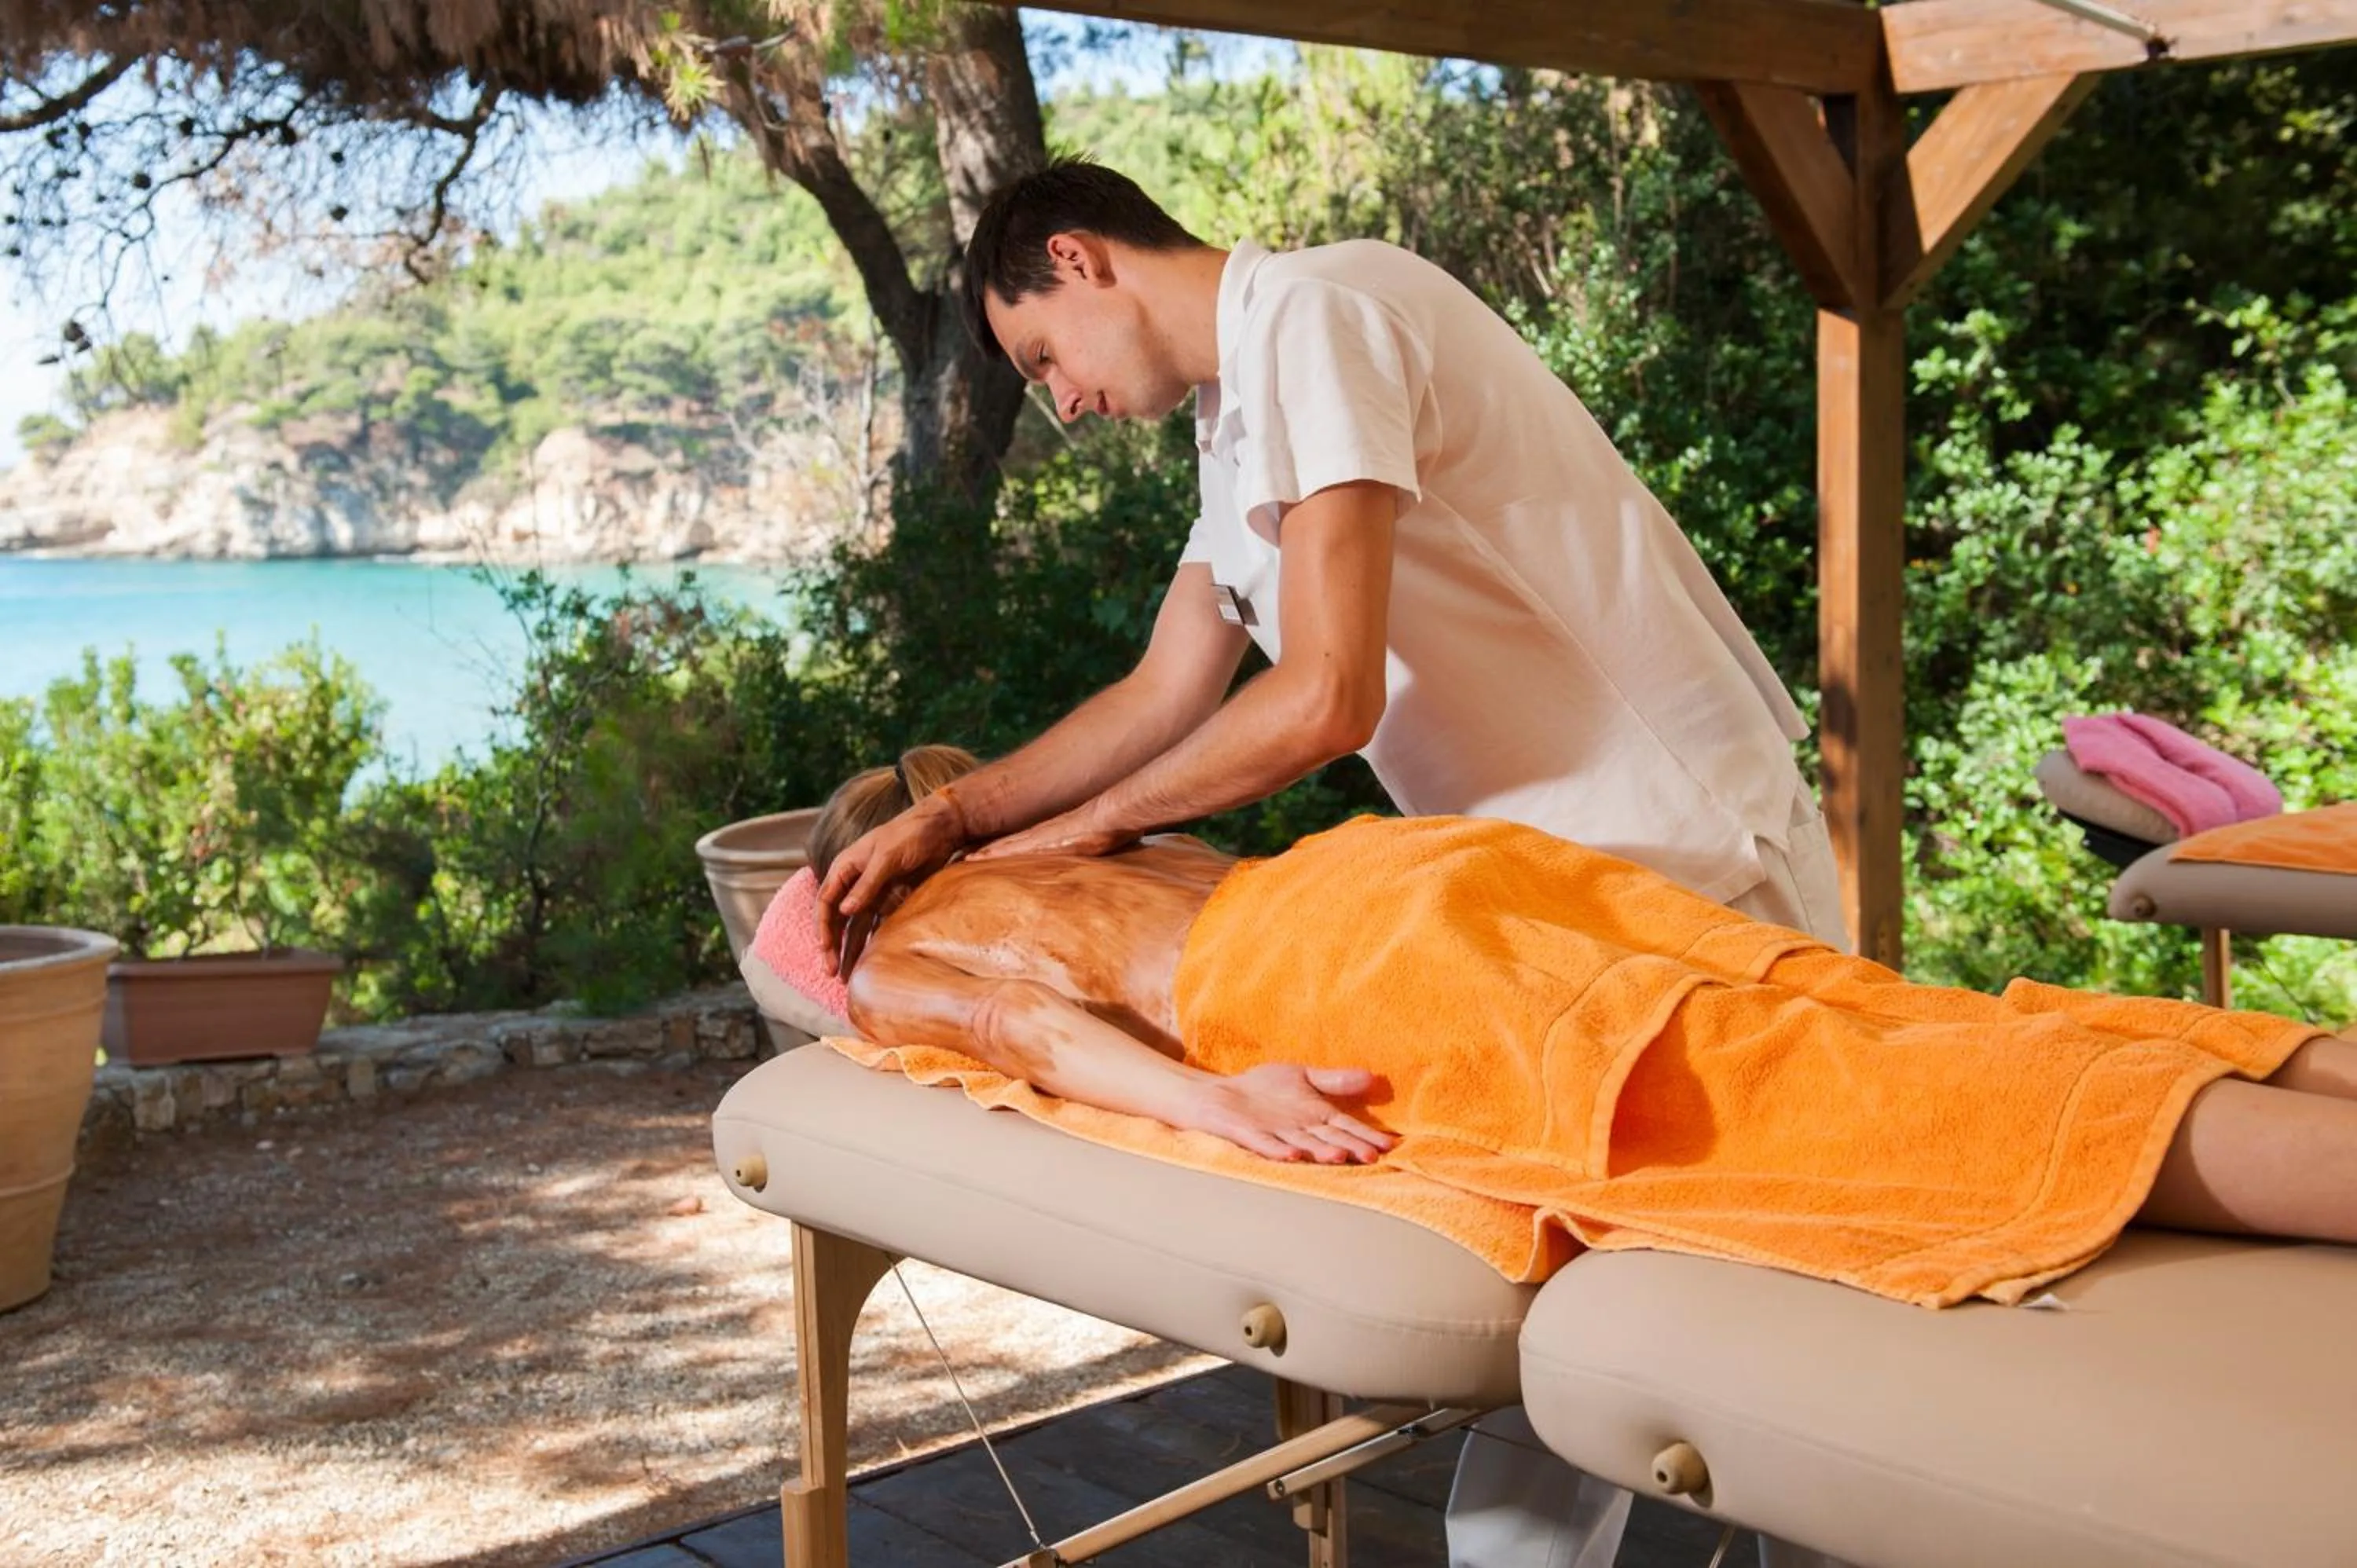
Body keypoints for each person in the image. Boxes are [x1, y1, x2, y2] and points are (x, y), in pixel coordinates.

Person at [816, 157, 1849, 1566]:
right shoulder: (1242, 413)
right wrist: (954, 822)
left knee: (1799, 1328)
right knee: (1634, 1357)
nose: (1059, 400)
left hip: (1690, 848)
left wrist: (1073, 837)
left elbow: (1325, 698)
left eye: (1043, 353)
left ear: (1082, 255)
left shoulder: (1320, 312)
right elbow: (1163, 687)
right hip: (1559, 894)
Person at [794, 748, 2357, 1291]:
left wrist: (1228, 1100)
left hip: (1334, 966)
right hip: (1418, 863)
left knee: (1864, 1103)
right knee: (1872, 1017)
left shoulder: (882, 956)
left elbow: (1019, 1037)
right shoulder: (1042, 833)